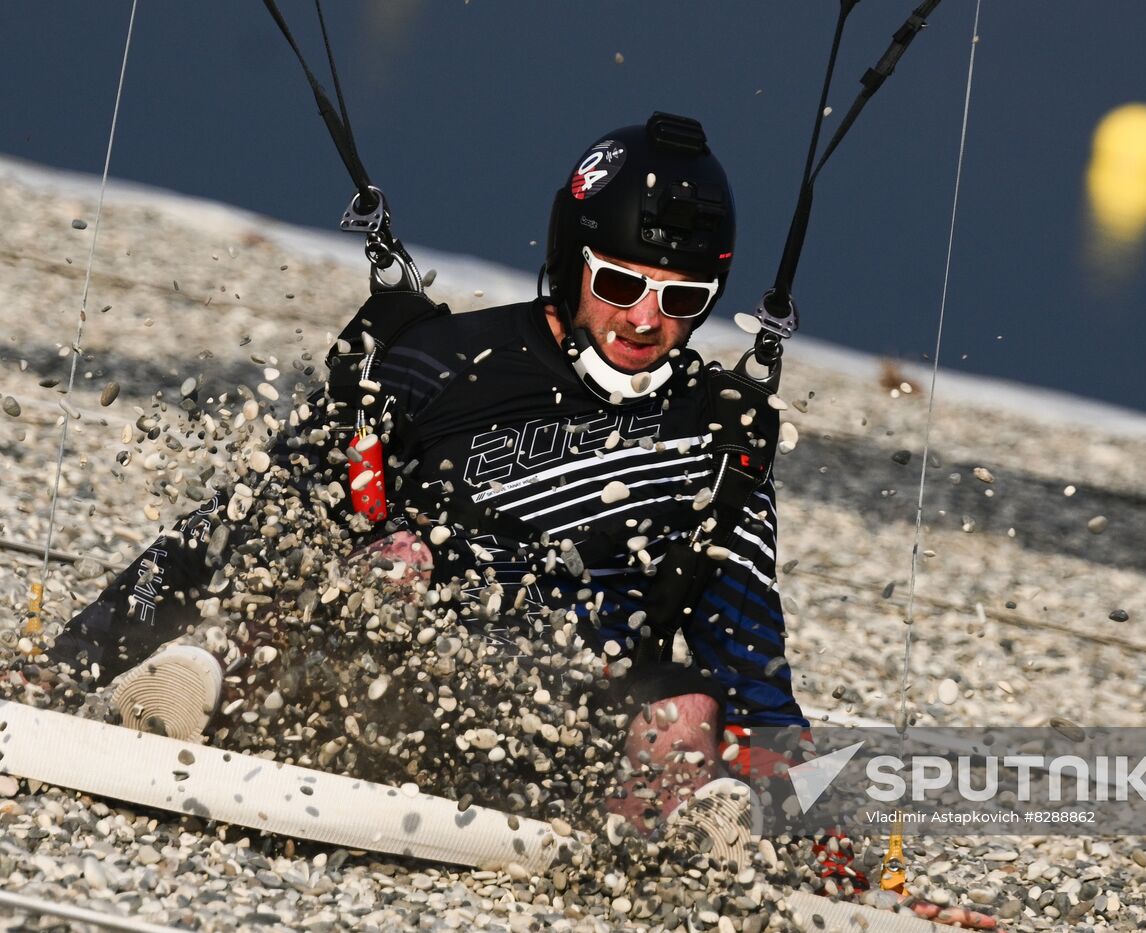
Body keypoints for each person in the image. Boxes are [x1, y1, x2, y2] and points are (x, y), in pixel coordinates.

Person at [43, 111, 805, 842]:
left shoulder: (718, 437)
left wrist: (828, 840)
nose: (645, 321)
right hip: (378, 685)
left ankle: (681, 842)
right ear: (573, 264)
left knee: (691, 707)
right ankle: (191, 687)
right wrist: (69, 662)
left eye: (680, 299)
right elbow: (240, 524)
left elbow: (751, 655)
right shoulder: (435, 360)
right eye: (620, 286)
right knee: (381, 558)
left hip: (568, 733)